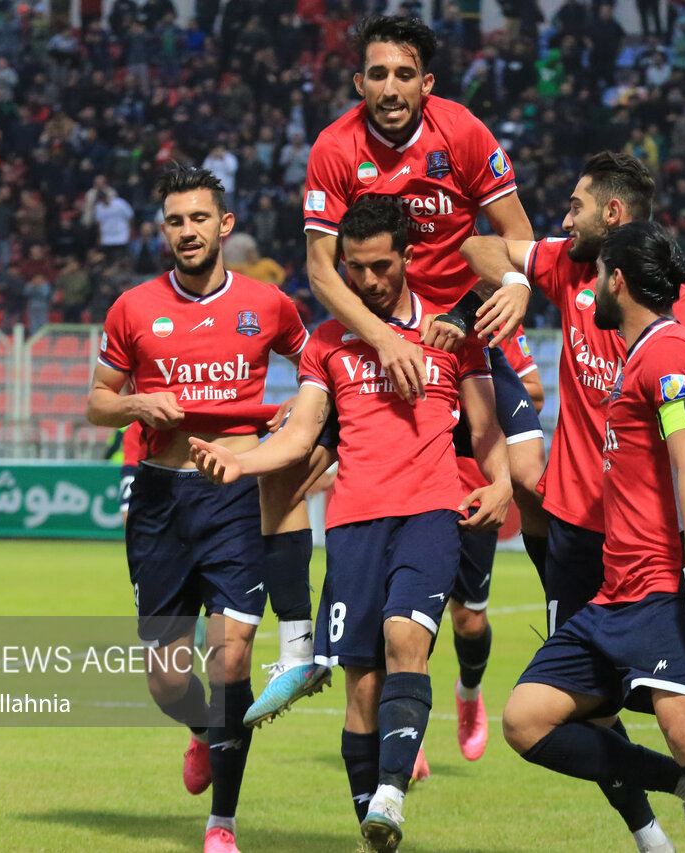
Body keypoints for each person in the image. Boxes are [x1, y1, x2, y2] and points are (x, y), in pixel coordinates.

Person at [462, 153, 685, 851]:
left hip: (661, 551)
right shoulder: (566, 267)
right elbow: (478, 244)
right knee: (590, 711)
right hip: (589, 540)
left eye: (576, 205)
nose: (562, 218)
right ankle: (659, 826)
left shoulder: (676, 320)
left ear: (613, 216)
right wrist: (519, 279)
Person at [246, 12, 549, 730]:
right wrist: (385, 340)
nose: (390, 87)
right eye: (377, 73)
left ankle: (560, 626)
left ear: (427, 82)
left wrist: (513, 291)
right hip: (371, 347)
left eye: (403, 73)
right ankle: (297, 647)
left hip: (460, 344)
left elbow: (522, 239)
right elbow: (322, 270)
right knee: (284, 470)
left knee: (530, 482)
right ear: (359, 81)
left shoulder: (465, 134)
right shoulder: (334, 148)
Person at [189, 196, 512, 853]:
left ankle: (392, 790)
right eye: (355, 268)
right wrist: (238, 460)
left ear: (409, 257)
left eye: (382, 266)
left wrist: (503, 480)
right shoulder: (330, 343)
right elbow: (303, 434)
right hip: (353, 523)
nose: (368, 281)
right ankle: (374, 821)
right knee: (361, 687)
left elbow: (484, 429)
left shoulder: (450, 334)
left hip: (429, 511)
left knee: (405, 640)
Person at [85, 167, 313, 853]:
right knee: (166, 677)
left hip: (235, 498)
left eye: (197, 218)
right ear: (164, 230)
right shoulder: (131, 308)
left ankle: (222, 823)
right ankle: (201, 733)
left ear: (225, 225)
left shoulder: (268, 305)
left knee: (231, 657)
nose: (187, 230)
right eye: (175, 221)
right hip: (160, 499)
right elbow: (97, 400)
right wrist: (133, 403)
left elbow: (315, 368)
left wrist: (297, 422)